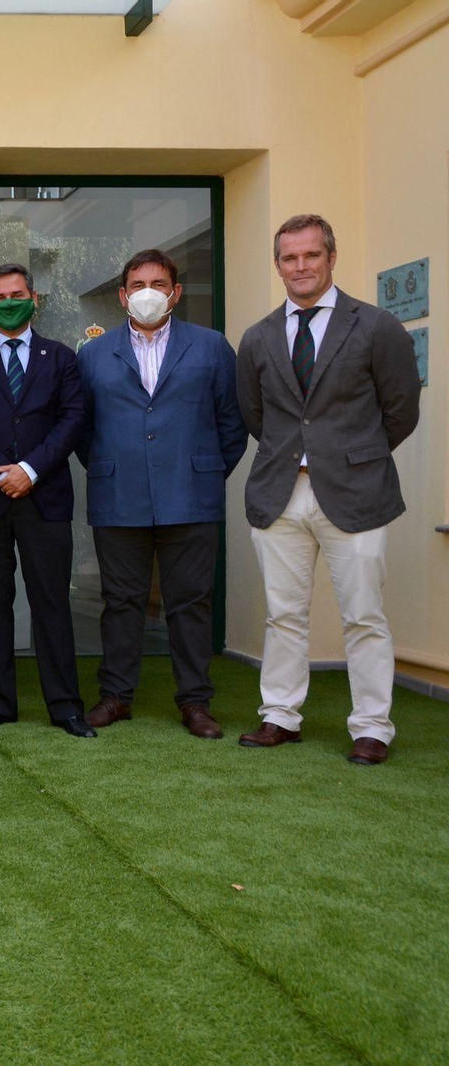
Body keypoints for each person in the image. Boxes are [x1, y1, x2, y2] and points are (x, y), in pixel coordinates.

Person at [235, 214, 421, 765]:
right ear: (278, 265)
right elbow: (255, 412)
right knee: (282, 613)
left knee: (364, 614)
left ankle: (371, 726)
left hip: (357, 493)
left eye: (310, 255)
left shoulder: (376, 326)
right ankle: (280, 716)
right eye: (289, 258)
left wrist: (349, 456)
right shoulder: (259, 336)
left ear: (331, 258)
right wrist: (296, 455)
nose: (300, 267)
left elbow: (401, 410)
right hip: (280, 492)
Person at [76, 249, 247, 739]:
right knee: (121, 601)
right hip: (118, 495)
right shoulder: (93, 353)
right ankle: (116, 696)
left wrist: (204, 472)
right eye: (137, 283)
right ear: (123, 294)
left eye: (158, 282)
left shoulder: (212, 347)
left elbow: (231, 424)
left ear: (174, 291)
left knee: (190, 602)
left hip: (191, 493)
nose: (147, 291)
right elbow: (83, 430)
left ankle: (195, 702)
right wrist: (114, 468)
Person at [0, 263, 94, 738]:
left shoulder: (62, 357)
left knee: (51, 602)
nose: (9, 301)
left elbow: (73, 418)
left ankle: (66, 706)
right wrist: (0, 472)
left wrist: (29, 470)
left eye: (17, 293)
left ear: (34, 298)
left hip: (44, 496)